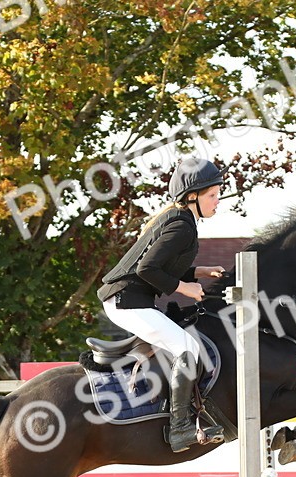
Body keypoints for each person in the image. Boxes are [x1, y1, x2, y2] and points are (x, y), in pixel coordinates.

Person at [97, 156, 227, 452]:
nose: (218, 201)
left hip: (132, 298)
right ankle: (179, 429)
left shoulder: (181, 219)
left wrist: (199, 272)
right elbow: (147, 270)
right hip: (124, 301)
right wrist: (186, 288)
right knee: (187, 347)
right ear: (192, 196)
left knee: (187, 345)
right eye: (213, 195)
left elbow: (163, 266)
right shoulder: (182, 225)